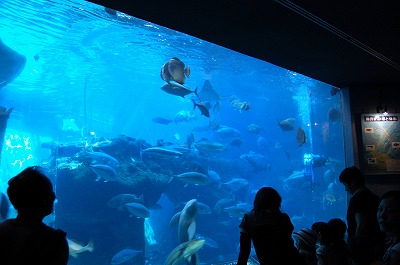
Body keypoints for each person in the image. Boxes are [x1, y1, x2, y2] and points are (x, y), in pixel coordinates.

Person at [0, 166, 69, 265]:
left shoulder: (3, 230)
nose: (54, 196)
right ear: (44, 200)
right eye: (50, 192)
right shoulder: (55, 240)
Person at [237, 186, 305, 265]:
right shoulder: (283, 217)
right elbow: (288, 242)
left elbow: (244, 251)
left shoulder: (249, 218)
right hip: (292, 260)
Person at [339, 166, 385, 265]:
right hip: (375, 246)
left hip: (363, 250)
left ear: (352, 182)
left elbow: (361, 224)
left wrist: (356, 249)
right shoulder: (373, 197)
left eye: (345, 185)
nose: (346, 189)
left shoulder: (357, 199)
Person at [377, 190, 400, 265]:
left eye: (390, 211)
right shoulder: (390, 243)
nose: (382, 215)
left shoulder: (396, 252)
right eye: (380, 209)